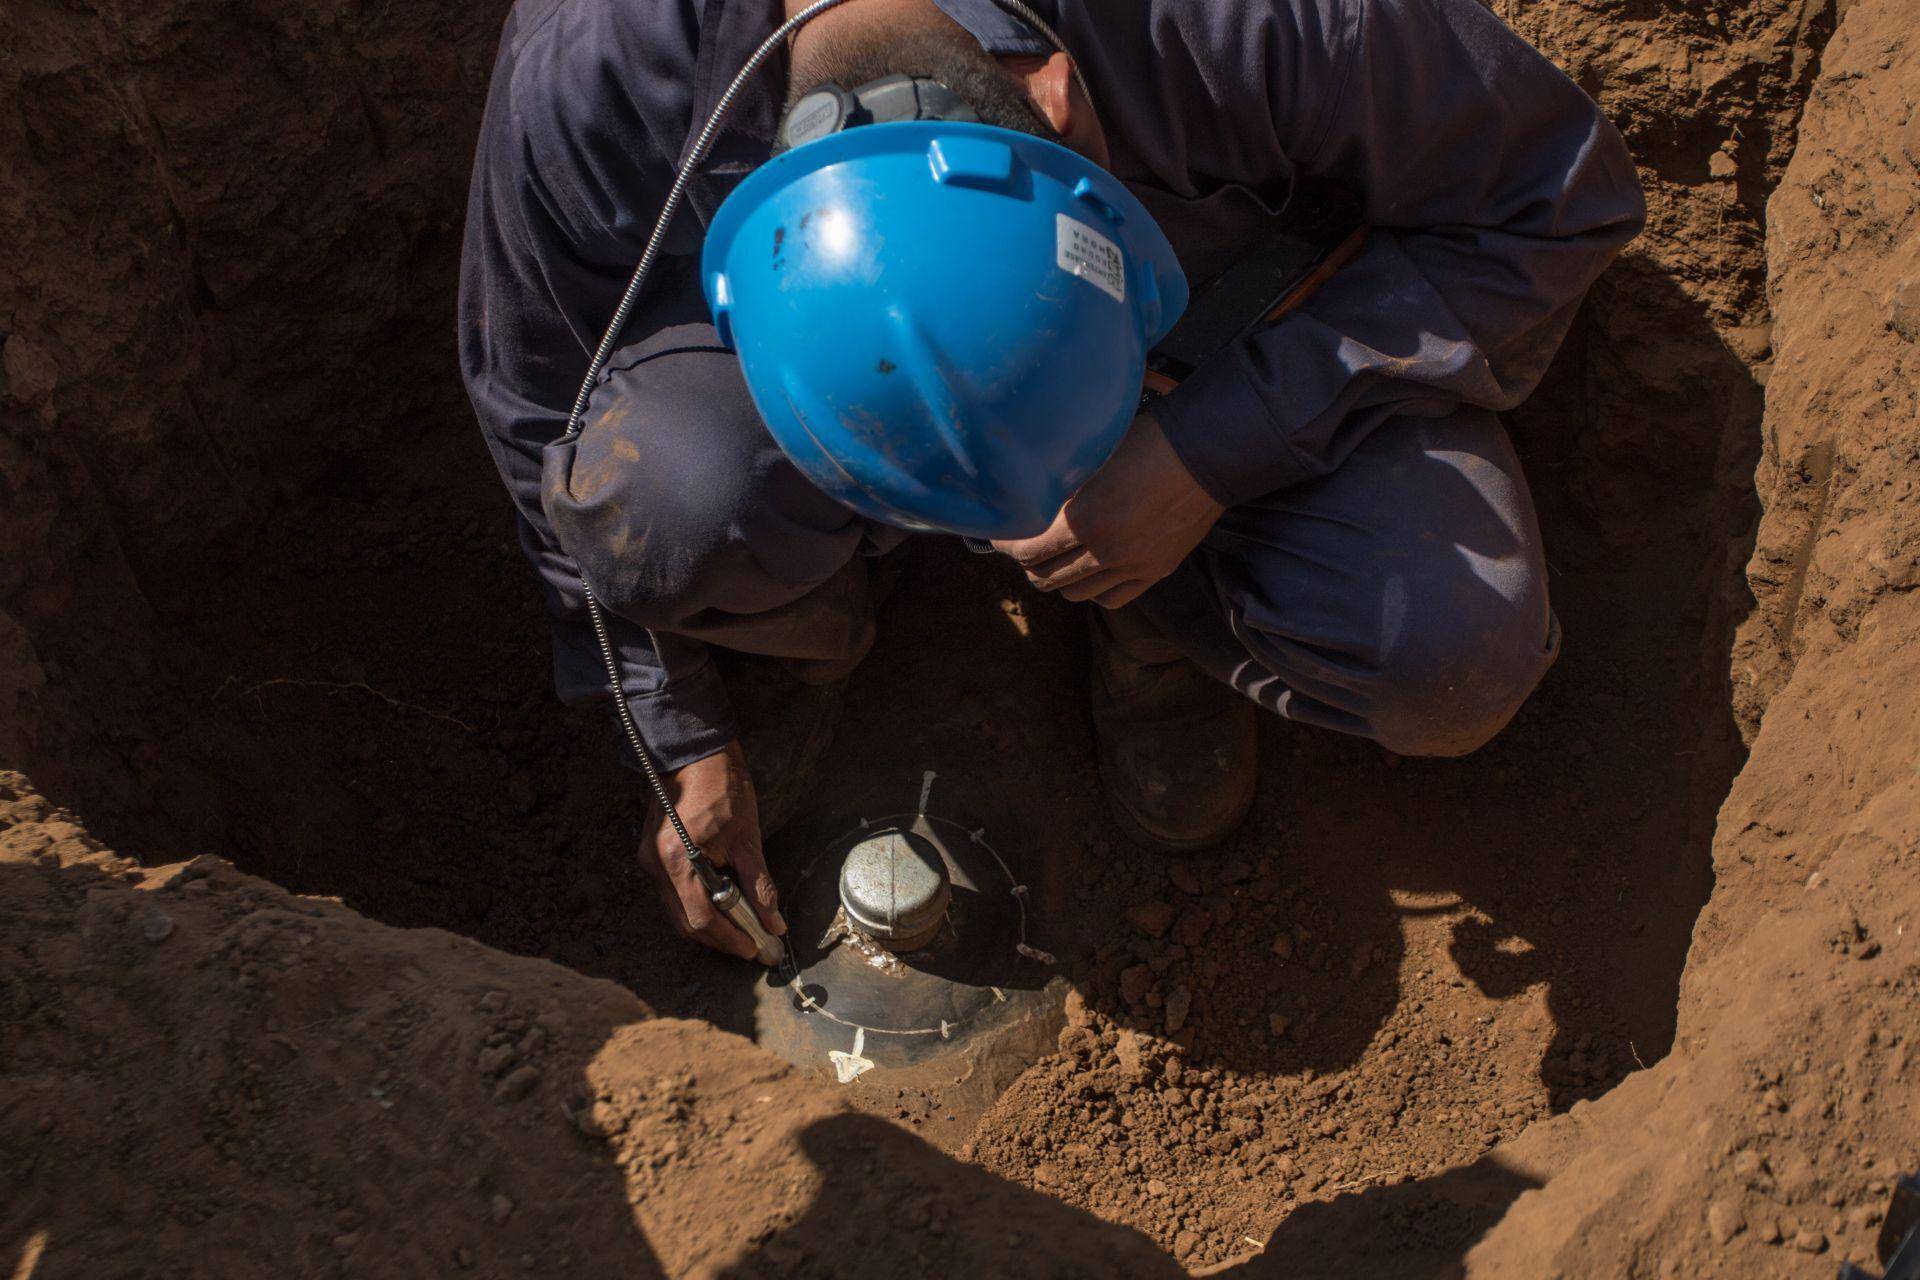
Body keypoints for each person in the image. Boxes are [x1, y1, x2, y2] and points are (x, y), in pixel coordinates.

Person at [458, 0, 1645, 960]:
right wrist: (675, 733)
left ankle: (1164, 615)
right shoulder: (598, 65)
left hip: (1222, 305)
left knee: (1449, 643)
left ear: (1059, 99)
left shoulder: (1259, 25)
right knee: (661, 496)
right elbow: (536, 402)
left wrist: (1209, 450)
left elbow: (1558, 200)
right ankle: (818, 620)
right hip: (834, 360)